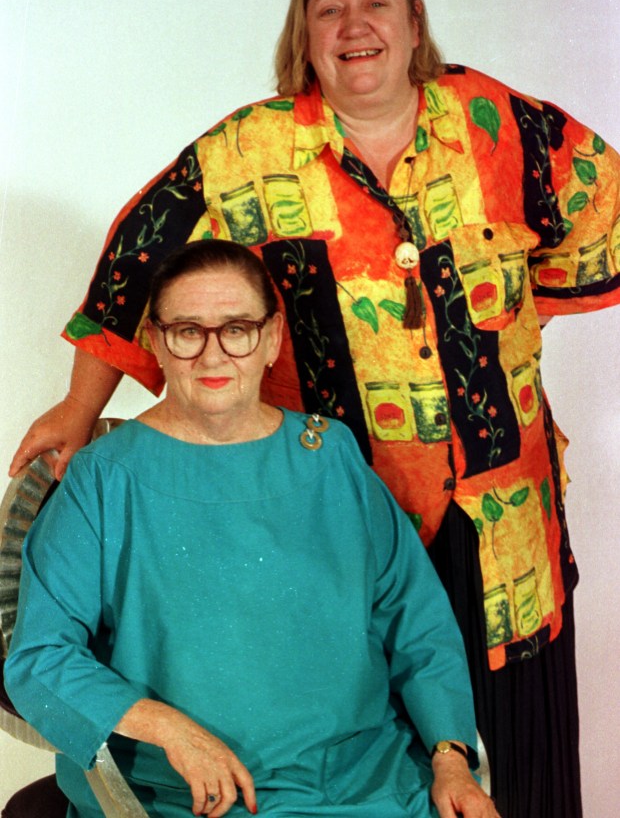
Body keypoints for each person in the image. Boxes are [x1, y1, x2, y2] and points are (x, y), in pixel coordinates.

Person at [8, 0, 620, 818]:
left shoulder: (502, 127)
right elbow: (140, 266)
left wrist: (504, 320)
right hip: (329, 502)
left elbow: (602, 218)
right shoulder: (251, 152)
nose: (353, 24)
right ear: (304, 35)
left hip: (500, 516)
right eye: (326, 8)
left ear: (415, 19)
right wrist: (78, 406)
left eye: (376, 1)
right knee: (335, 701)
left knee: (500, 766)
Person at [5, 239, 497, 818]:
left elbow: (417, 621)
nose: (213, 356)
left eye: (236, 329)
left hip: (367, 784)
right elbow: (39, 660)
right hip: (187, 795)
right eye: (188, 331)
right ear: (156, 342)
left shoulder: (329, 456)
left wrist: (449, 759)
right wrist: (169, 729)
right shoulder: (103, 480)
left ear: (271, 339)